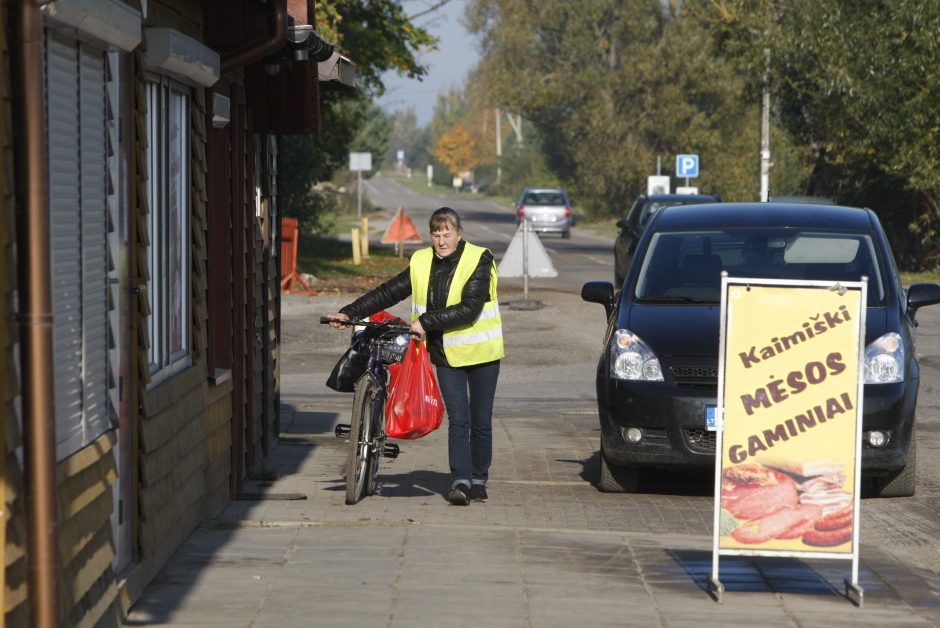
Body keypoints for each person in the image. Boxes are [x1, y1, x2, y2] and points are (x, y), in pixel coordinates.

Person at [327, 207, 504, 506]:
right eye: (437, 234)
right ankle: (460, 481)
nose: (442, 241)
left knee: (480, 421)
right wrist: (350, 312)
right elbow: (388, 292)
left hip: (483, 353)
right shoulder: (421, 261)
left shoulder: (479, 258)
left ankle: (478, 477)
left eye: (447, 234)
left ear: (459, 235)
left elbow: (471, 307)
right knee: (459, 419)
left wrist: (426, 322)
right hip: (446, 355)